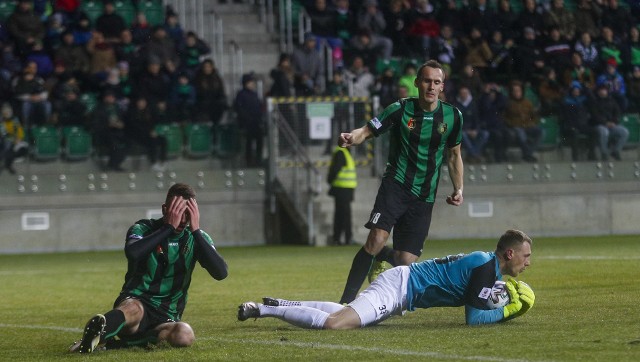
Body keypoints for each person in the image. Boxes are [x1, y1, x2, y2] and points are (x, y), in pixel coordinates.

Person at [336, 60, 464, 304]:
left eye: (436, 82)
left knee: (405, 261)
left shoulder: (453, 116)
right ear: (416, 83)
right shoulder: (399, 109)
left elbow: (454, 154)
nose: (431, 86)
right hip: (395, 185)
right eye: (427, 81)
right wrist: (353, 137)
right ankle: (345, 303)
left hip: (425, 195)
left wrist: (459, 188)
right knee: (376, 238)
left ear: (442, 86)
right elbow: (367, 129)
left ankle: (383, 256)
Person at [238, 229, 534, 329]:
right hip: (399, 288)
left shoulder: (486, 266)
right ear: (509, 253)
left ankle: (276, 304)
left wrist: (501, 299)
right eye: (526, 256)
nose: (528, 263)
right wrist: (510, 310)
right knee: (336, 324)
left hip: (402, 291)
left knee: (344, 314)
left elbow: (479, 306)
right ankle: (268, 310)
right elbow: (475, 319)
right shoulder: (485, 267)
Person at [69, 183, 228, 353]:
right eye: (179, 212)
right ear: (165, 209)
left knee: (185, 334)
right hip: (137, 301)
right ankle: (93, 337)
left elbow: (221, 273)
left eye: (188, 214)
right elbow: (133, 253)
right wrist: (168, 228)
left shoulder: (197, 238)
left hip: (167, 315)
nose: (183, 220)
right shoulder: (143, 228)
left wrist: (196, 231)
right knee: (133, 309)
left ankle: (117, 345)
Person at [503, 81, 542, 163]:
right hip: (516, 126)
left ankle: (528, 153)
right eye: (515, 91)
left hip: (528, 125)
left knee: (541, 132)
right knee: (520, 134)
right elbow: (504, 117)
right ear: (512, 92)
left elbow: (534, 116)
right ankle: (528, 155)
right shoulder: (508, 103)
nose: (517, 93)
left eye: (518, 91)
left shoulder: (527, 103)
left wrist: (532, 123)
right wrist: (512, 124)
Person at [589, 84, 629, 161]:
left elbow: (617, 112)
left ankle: (615, 151)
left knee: (624, 132)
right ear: (597, 92)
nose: (603, 92)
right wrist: (605, 123)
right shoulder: (594, 102)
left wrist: (614, 122)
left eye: (604, 90)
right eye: (601, 90)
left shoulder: (611, 100)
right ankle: (604, 152)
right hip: (598, 125)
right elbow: (594, 116)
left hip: (612, 124)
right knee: (604, 131)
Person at [327, 146, 357, 246]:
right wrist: (330, 180)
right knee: (344, 215)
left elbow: (335, 169)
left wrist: (330, 181)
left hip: (344, 188)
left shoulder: (342, 152)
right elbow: (336, 169)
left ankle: (338, 239)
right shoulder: (342, 152)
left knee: (340, 215)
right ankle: (346, 238)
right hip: (343, 188)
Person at [234, 72, 264, 168]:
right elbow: (239, 109)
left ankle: (258, 159)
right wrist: (246, 119)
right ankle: (249, 160)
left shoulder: (254, 94)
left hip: (256, 122)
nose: (252, 84)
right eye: (250, 82)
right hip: (247, 123)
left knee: (259, 140)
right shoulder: (241, 94)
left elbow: (259, 107)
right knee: (249, 142)